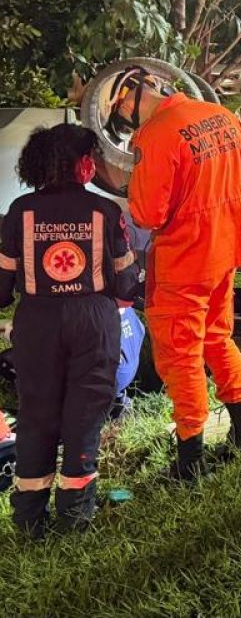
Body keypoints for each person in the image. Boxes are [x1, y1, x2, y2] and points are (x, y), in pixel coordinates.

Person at [106, 67, 241, 480]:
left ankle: (190, 463)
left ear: (125, 101)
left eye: (122, 112)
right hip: (226, 250)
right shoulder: (222, 116)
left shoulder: (156, 136)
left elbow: (147, 213)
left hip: (185, 261)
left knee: (180, 356)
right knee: (216, 337)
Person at [0, 124, 139, 535]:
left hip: (37, 323)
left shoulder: (19, 213)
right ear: (83, 164)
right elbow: (126, 283)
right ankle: (75, 517)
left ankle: (28, 519)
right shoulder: (106, 212)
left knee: (36, 414)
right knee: (83, 419)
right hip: (92, 324)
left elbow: (2, 289)